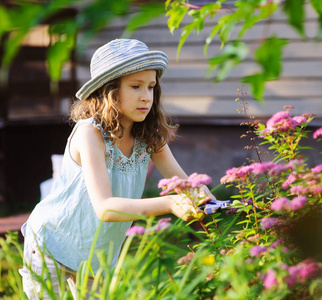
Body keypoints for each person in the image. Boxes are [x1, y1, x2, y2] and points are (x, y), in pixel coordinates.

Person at [19, 39, 215, 299]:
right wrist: (169, 203)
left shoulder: (148, 135)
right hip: (52, 244)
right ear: (109, 91)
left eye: (151, 86)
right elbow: (106, 208)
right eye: (135, 86)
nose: (146, 96)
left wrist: (201, 194)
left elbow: (183, 184)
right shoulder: (90, 133)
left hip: (96, 255)